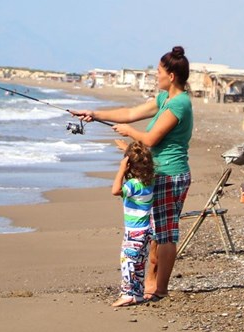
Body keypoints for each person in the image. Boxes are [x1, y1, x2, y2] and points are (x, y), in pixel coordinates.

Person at [72, 46, 192, 302]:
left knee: (166, 233)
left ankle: (160, 289)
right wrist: (93, 114)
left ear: (171, 76)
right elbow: (130, 113)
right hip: (156, 173)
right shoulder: (164, 99)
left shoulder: (180, 104)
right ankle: (150, 282)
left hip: (171, 174)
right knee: (153, 231)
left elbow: (150, 137)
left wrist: (129, 132)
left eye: (159, 71)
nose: (156, 76)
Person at [110, 141, 155, 307]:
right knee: (140, 262)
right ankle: (138, 293)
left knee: (127, 261)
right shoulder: (150, 182)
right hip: (147, 230)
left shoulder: (132, 185)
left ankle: (128, 294)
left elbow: (115, 190)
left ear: (130, 166)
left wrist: (121, 169)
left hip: (134, 232)